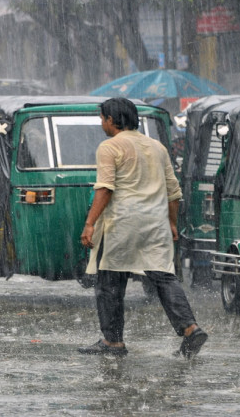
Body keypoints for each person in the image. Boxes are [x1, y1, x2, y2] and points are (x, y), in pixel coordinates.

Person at [78, 97, 207, 359]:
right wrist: (172, 223)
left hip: (122, 225)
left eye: (102, 118)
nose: (101, 123)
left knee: (110, 281)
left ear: (111, 120)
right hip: (156, 225)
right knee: (163, 277)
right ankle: (190, 328)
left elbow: (104, 188)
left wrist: (90, 223)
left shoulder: (110, 147)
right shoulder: (157, 147)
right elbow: (174, 191)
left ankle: (113, 342)